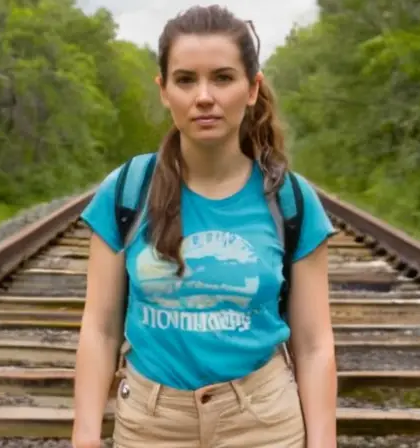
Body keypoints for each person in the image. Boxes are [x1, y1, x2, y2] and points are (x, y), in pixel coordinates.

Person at [71, 5, 337, 448]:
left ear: (252, 88)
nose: (204, 97)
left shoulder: (289, 199)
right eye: (186, 79)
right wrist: (84, 436)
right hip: (151, 423)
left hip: (263, 422)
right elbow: (99, 329)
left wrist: (323, 442)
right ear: (164, 90)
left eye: (223, 77)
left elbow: (313, 345)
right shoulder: (126, 191)